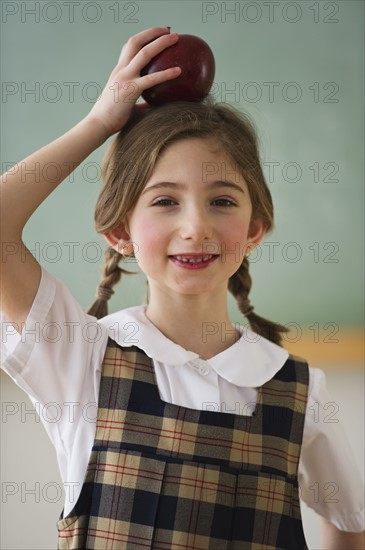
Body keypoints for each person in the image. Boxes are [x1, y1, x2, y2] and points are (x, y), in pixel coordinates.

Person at [1, 26, 364, 550]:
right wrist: (100, 122)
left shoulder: (301, 392)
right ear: (120, 231)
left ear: (255, 229)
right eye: (165, 201)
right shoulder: (80, 359)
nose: (196, 226)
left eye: (222, 201)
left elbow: (350, 529)